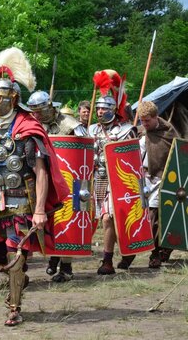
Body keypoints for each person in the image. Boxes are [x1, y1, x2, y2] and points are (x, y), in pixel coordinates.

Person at [0, 47, 68, 326]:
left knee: (15, 253)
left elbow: (41, 172)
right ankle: (18, 280)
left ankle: (14, 308)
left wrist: (41, 210)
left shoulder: (28, 129)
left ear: (13, 98)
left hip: (22, 202)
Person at [27, 90, 87, 282]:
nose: (36, 115)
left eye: (39, 110)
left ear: (50, 107)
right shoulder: (33, 125)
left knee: (65, 220)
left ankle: (66, 266)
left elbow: (83, 150)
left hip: (68, 181)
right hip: (42, 180)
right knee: (47, 222)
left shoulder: (71, 125)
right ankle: (52, 258)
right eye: (33, 111)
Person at [89, 70, 137, 274]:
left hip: (117, 181)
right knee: (99, 219)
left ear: (114, 109)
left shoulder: (126, 130)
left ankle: (106, 261)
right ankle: (127, 249)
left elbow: (131, 160)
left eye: (103, 109)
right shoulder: (91, 130)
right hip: (95, 179)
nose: (99, 112)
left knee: (108, 218)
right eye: (98, 109)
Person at [136, 101, 178, 267]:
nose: (144, 124)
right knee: (147, 216)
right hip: (143, 177)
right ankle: (159, 251)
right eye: (142, 121)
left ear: (156, 117)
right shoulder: (140, 132)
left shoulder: (168, 132)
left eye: (147, 121)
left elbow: (175, 154)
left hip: (162, 178)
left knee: (156, 215)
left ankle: (156, 253)